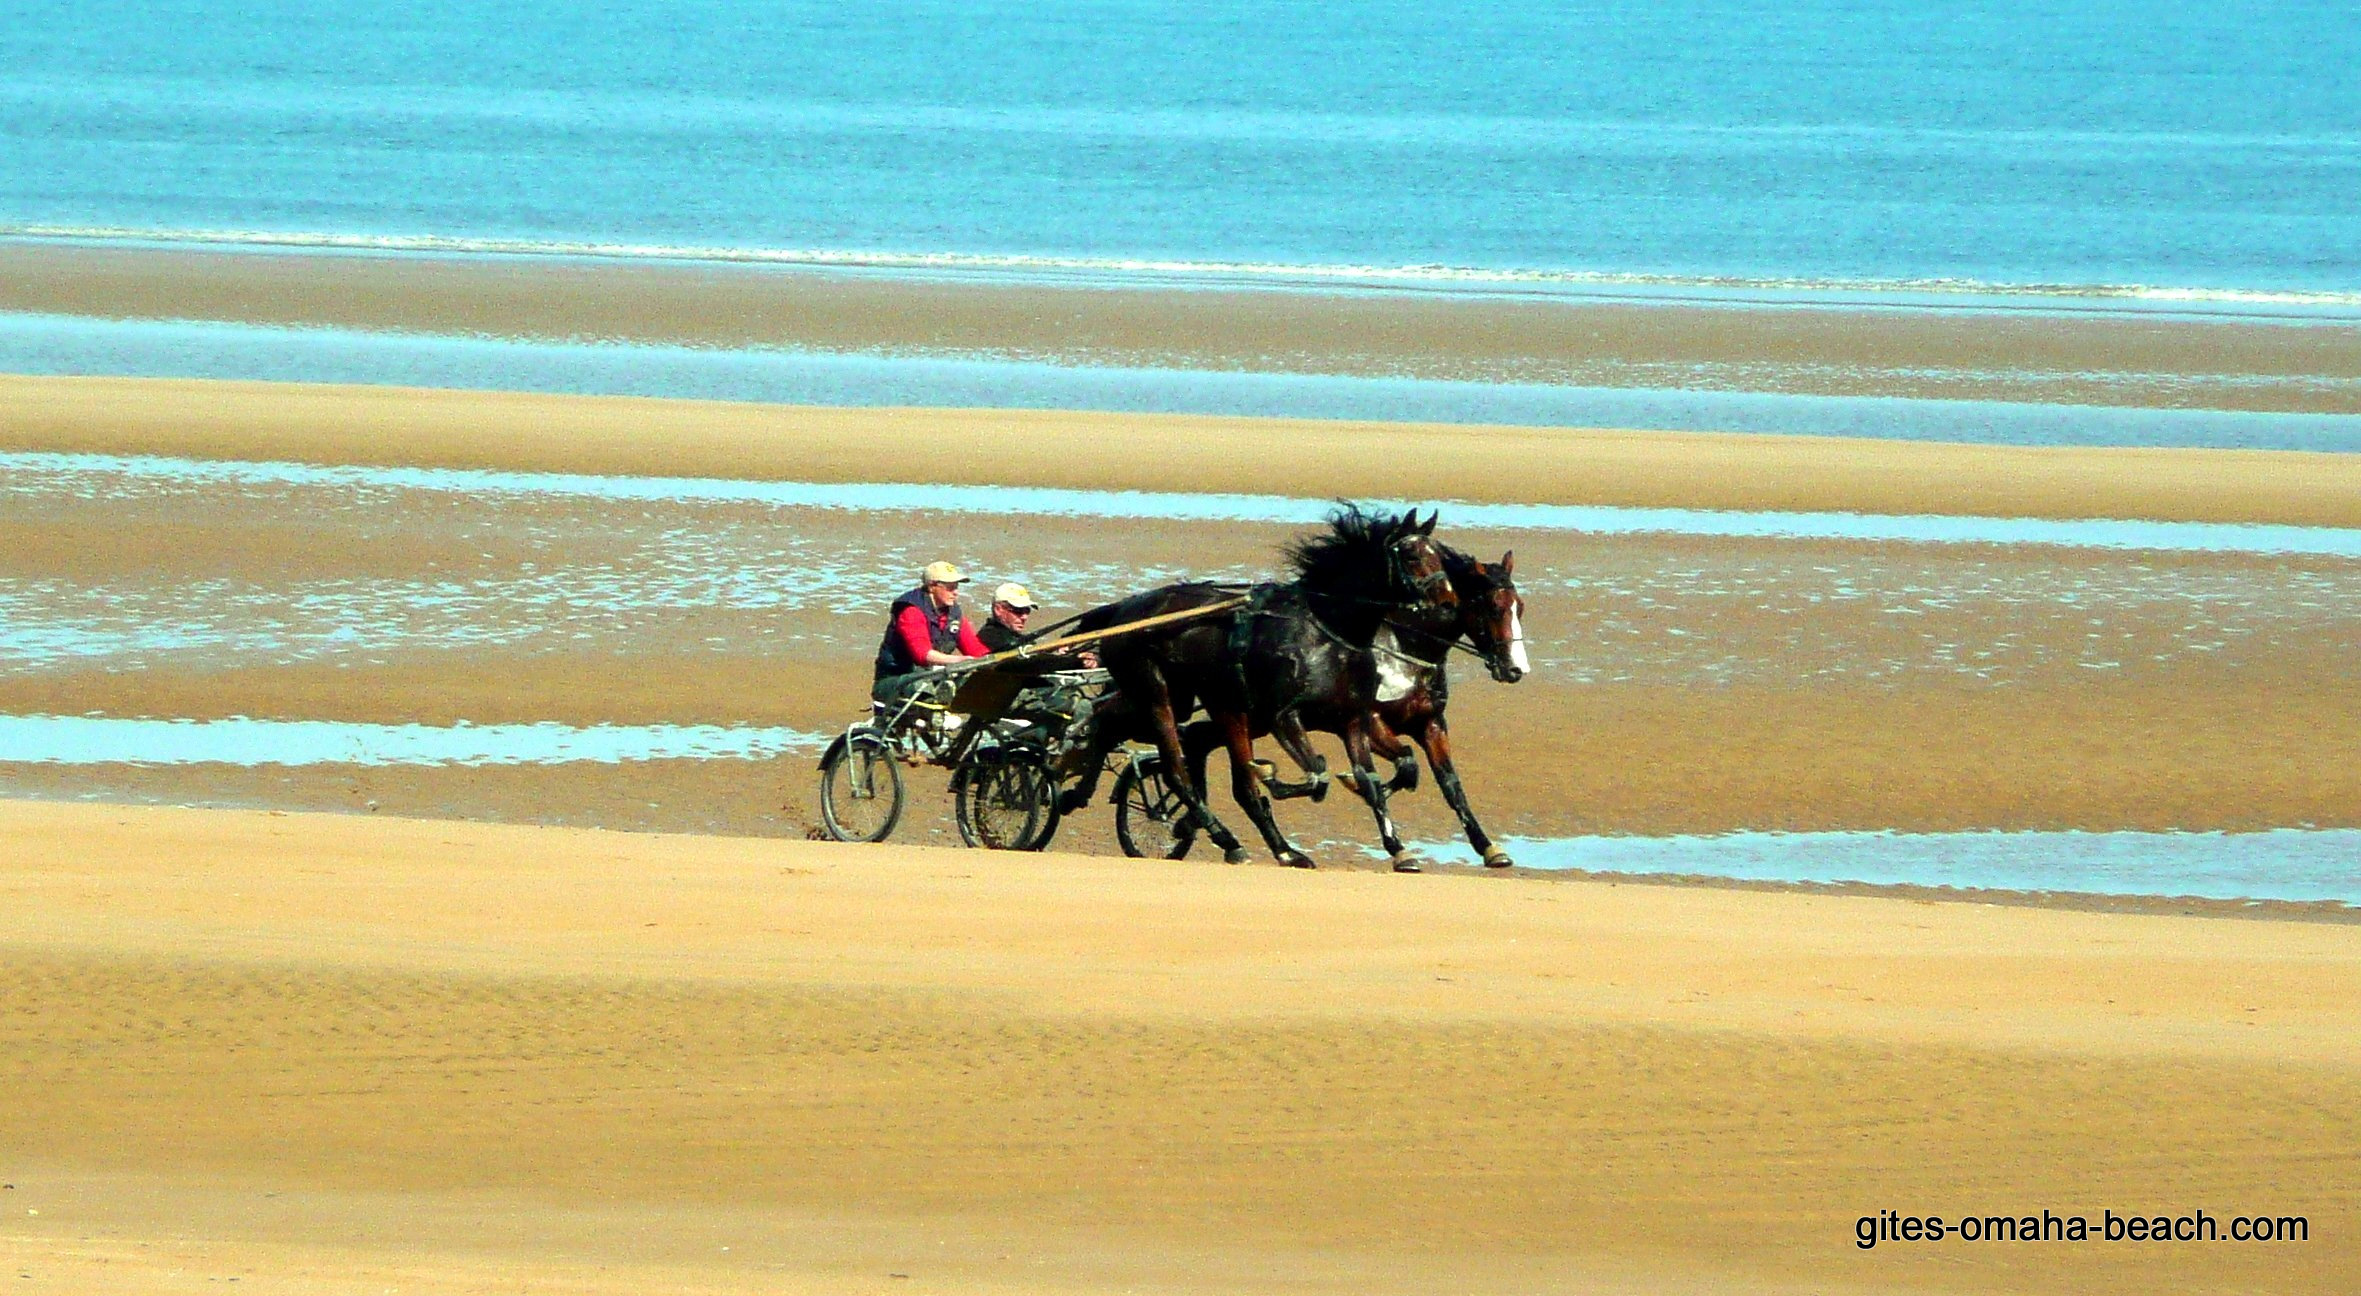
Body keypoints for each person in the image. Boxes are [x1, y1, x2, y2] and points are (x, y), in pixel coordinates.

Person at [872, 561, 989, 704]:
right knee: (923, 687)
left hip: (931, 675)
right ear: (932, 586)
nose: (955, 592)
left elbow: (977, 650)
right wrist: (960, 661)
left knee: (975, 682)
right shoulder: (911, 611)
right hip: (894, 680)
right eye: (950, 587)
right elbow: (923, 655)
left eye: (956, 587)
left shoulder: (954, 614)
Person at [976, 582, 1039, 654]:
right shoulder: (989, 635)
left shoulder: (1014, 637)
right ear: (998, 610)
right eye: (1018, 610)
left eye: (1027, 611)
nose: (1024, 617)